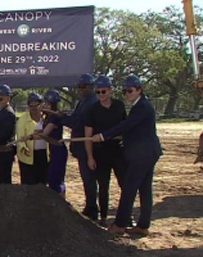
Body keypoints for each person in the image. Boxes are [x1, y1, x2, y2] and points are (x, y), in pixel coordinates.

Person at [92, 75, 162, 236]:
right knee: (144, 189)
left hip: (142, 154)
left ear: (139, 89)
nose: (127, 94)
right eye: (124, 91)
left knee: (129, 188)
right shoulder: (140, 106)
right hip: (148, 152)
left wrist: (103, 135)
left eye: (130, 91)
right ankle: (143, 225)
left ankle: (120, 224)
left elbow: (126, 125)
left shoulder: (142, 107)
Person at [84, 75, 127, 226]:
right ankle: (103, 216)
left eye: (103, 91)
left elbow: (125, 128)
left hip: (118, 151)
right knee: (103, 186)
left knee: (125, 184)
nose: (101, 95)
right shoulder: (92, 110)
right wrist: (90, 157)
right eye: (98, 92)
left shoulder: (119, 106)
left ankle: (126, 216)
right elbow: (88, 136)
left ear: (110, 90)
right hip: (100, 153)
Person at [60, 73, 99, 220]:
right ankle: (90, 206)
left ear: (91, 87)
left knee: (90, 179)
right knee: (86, 179)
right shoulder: (82, 102)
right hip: (80, 147)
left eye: (83, 87)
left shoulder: (91, 103)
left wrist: (62, 118)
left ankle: (92, 209)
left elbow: (78, 123)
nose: (80, 90)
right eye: (79, 87)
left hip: (87, 148)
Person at [37, 89, 68, 198]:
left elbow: (45, 133)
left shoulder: (55, 117)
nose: (44, 105)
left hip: (58, 150)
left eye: (47, 103)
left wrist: (33, 136)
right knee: (54, 177)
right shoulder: (49, 117)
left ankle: (61, 202)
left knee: (55, 179)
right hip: (53, 150)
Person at [15, 92, 48, 185]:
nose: (33, 107)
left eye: (36, 104)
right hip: (28, 156)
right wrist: (23, 147)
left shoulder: (46, 119)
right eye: (31, 105)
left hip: (44, 154)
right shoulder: (22, 120)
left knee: (42, 182)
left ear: (41, 104)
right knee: (28, 183)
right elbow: (20, 137)